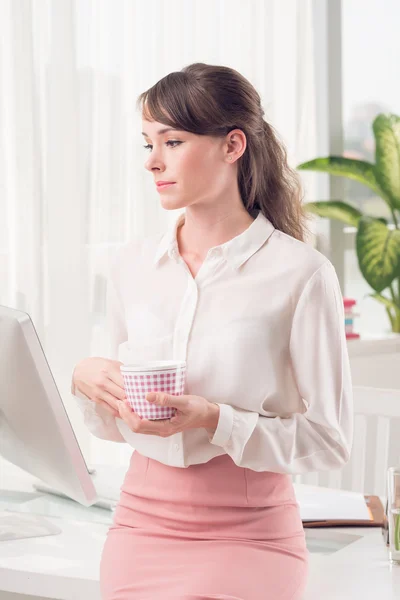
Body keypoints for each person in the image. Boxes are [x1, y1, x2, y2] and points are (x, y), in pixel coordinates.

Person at [71, 62, 353, 600]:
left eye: (173, 141)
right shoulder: (130, 267)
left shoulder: (300, 273)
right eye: (147, 144)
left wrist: (218, 420)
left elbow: (328, 441)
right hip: (141, 527)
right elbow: (119, 426)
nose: (153, 162)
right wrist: (88, 381)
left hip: (251, 537)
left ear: (233, 146)